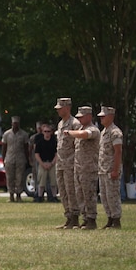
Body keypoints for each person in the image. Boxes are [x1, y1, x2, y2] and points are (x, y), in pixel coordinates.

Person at [67, 106, 101, 230]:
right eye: (79, 117)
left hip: (89, 168)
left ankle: (92, 220)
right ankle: (85, 219)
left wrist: (70, 133)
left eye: (82, 117)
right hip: (79, 168)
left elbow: (84, 135)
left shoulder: (93, 130)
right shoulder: (80, 129)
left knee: (89, 194)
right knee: (80, 195)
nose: (79, 119)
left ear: (89, 117)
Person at [53, 98, 82, 229]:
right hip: (60, 163)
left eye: (60, 107)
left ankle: (75, 218)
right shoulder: (60, 124)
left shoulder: (75, 123)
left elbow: (78, 145)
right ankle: (68, 217)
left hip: (70, 163)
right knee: (63, 191)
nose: (58, 110)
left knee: (71, 191)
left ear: (67, 108)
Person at [96, 106, 123, 229]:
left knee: (112, 196)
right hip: (103, 169)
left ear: (111, 117)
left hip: (111, 170)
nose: (101, 118)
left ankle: (116, 221)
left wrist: (115, 170)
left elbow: (118, 152)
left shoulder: (115, 132)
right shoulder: (104, 132)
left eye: (103, 116)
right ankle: (110, 219)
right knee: (104, 196)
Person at [1, 115, 30, 202]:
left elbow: (26, 148)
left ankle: (18, 195)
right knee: (10, 177)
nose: (15, 125)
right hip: (9, 158)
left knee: (19, 178)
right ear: (11, 124)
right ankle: (11, 195)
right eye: (14, 123)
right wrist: (3, 159)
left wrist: (27, 159)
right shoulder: (7, 134)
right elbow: (4, 147)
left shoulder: (24, 134)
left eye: (17, 123)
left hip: (20, 158)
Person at [32, 122, 58, 202]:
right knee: (41, 182)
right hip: (42, 163)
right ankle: (40, 196)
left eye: (48, 131)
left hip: (52, 163)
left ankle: (54, 197)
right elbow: (36, 154)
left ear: (51, 132)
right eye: (45, 131)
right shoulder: (39, 142)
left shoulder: (54, 141)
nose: (47, 133)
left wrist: (52, 163)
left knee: (53, 182)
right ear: (42, 132)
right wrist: (42, 164)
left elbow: (57, 154)